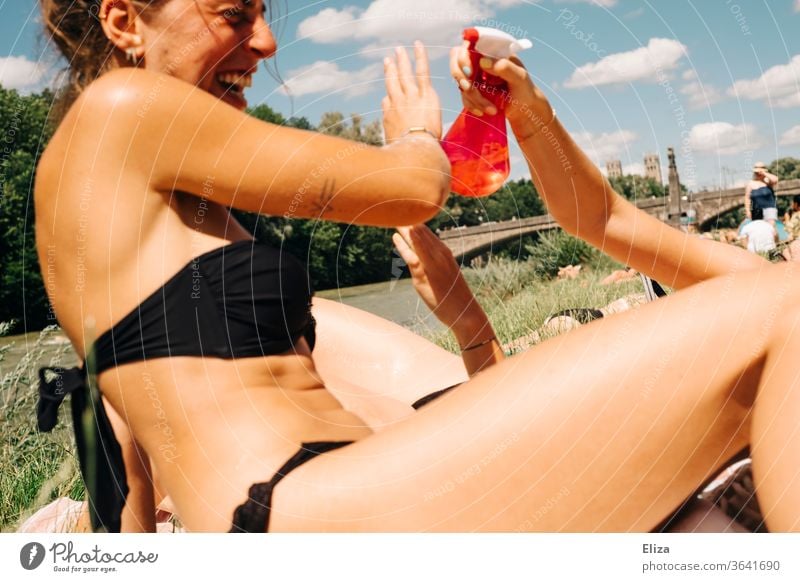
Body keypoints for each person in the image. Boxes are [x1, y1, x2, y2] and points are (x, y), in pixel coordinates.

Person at [35, 0, 800, 533]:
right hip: (308, 510)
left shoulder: (139, 216)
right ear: (123, 21)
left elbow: (110, 416)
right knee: (786, 305)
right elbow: (410, 190)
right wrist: (415, 138)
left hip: (320, 500)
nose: (268, 43)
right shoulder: (122, 106)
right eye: (235, 12)